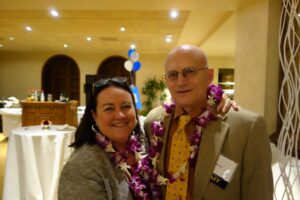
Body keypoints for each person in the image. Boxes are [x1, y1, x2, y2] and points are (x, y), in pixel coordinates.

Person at [143, 45, 273, 200]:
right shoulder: (153, 121)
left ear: (209, 75)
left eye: (190, 71)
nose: (181, 82)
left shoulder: (247, 127)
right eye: (172, 75)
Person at [58, 77, 148, 199]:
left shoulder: (144, 145)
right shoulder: (81, 166)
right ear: (94, 116)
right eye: (109, 108)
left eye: (126, 106)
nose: (120, 115)